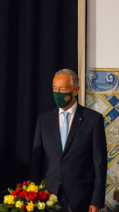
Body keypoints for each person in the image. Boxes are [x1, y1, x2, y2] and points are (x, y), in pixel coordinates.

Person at [29, 69, 107, 212]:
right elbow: (36, 162)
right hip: (48, 196)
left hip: (81, 197)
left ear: (75, 90)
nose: (57, 93)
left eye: (63, 89)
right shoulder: (44, 120)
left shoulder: (93, 120)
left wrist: (96, 200)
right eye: (54, 89)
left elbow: (99, 163)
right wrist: (33, 196)